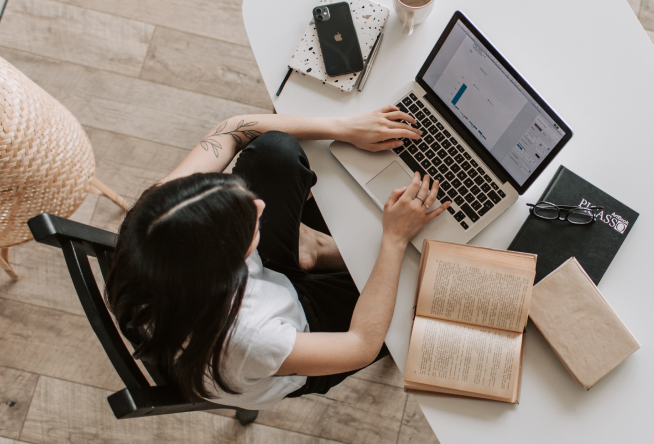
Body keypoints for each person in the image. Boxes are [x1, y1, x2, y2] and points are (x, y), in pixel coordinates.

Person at [104, 106, 451, 410]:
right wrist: (393, 239)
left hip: (247, 293)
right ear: (230, 266)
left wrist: (344, 127)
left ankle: (310, 250)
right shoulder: (252, 338)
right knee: (421, 294)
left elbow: (232, 131)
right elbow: (360, 345)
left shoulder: (158, 219)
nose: (259, 205)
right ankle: (314, 251)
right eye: (248, 225)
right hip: (300, 336)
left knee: (273, 150)